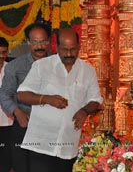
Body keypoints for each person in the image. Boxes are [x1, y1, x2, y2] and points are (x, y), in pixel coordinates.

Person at [17, 28, 103, 172]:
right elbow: (21, 94)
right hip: (41, 144)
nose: (69, 54)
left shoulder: (88, 71)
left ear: (79, 47)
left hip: (68, 146)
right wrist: (46, 99)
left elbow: (96, 99)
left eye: (73, 49)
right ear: (56, 48)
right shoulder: (41, 66)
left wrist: (84, 110)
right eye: (64, 49)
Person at [0, 22, 51, 172]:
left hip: (50, 127)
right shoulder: (15, 66)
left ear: (49, 42)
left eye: (43, 41)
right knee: (22, 166)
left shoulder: (58, 65)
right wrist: (16, 111)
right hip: (23, 124)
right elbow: (4, 93)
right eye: (35, 42)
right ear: (29, 42)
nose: (39, 46)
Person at [0, 37, 12, 172]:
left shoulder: (11, 70)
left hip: (8, 124)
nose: (0, 56)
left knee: (5, 161)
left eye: (3, 52)